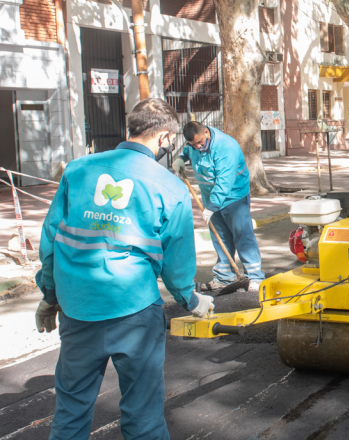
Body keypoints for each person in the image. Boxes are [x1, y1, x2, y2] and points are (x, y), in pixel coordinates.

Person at [33, 98, 215, 439]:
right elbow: (176, 263)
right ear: (164, 138)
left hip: (78, 306)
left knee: (71, 409)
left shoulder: (77, 169)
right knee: (143, 413)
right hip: (134, 309)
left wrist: (49, 295)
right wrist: (190, 299)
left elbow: (51, 239)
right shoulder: (171, 187)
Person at [173, 121, 265, 293]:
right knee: (220, 237)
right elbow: (187, 150)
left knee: (242, 235)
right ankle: (223, 277)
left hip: (233, 197)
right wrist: (181, 158)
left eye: (200, 142)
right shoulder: (194, 144)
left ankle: (255, 277)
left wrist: (212, 206)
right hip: (210, 198)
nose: (198, 147)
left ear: (206, 132)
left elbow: (224, 181)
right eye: (193, 145)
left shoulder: (225, 147)